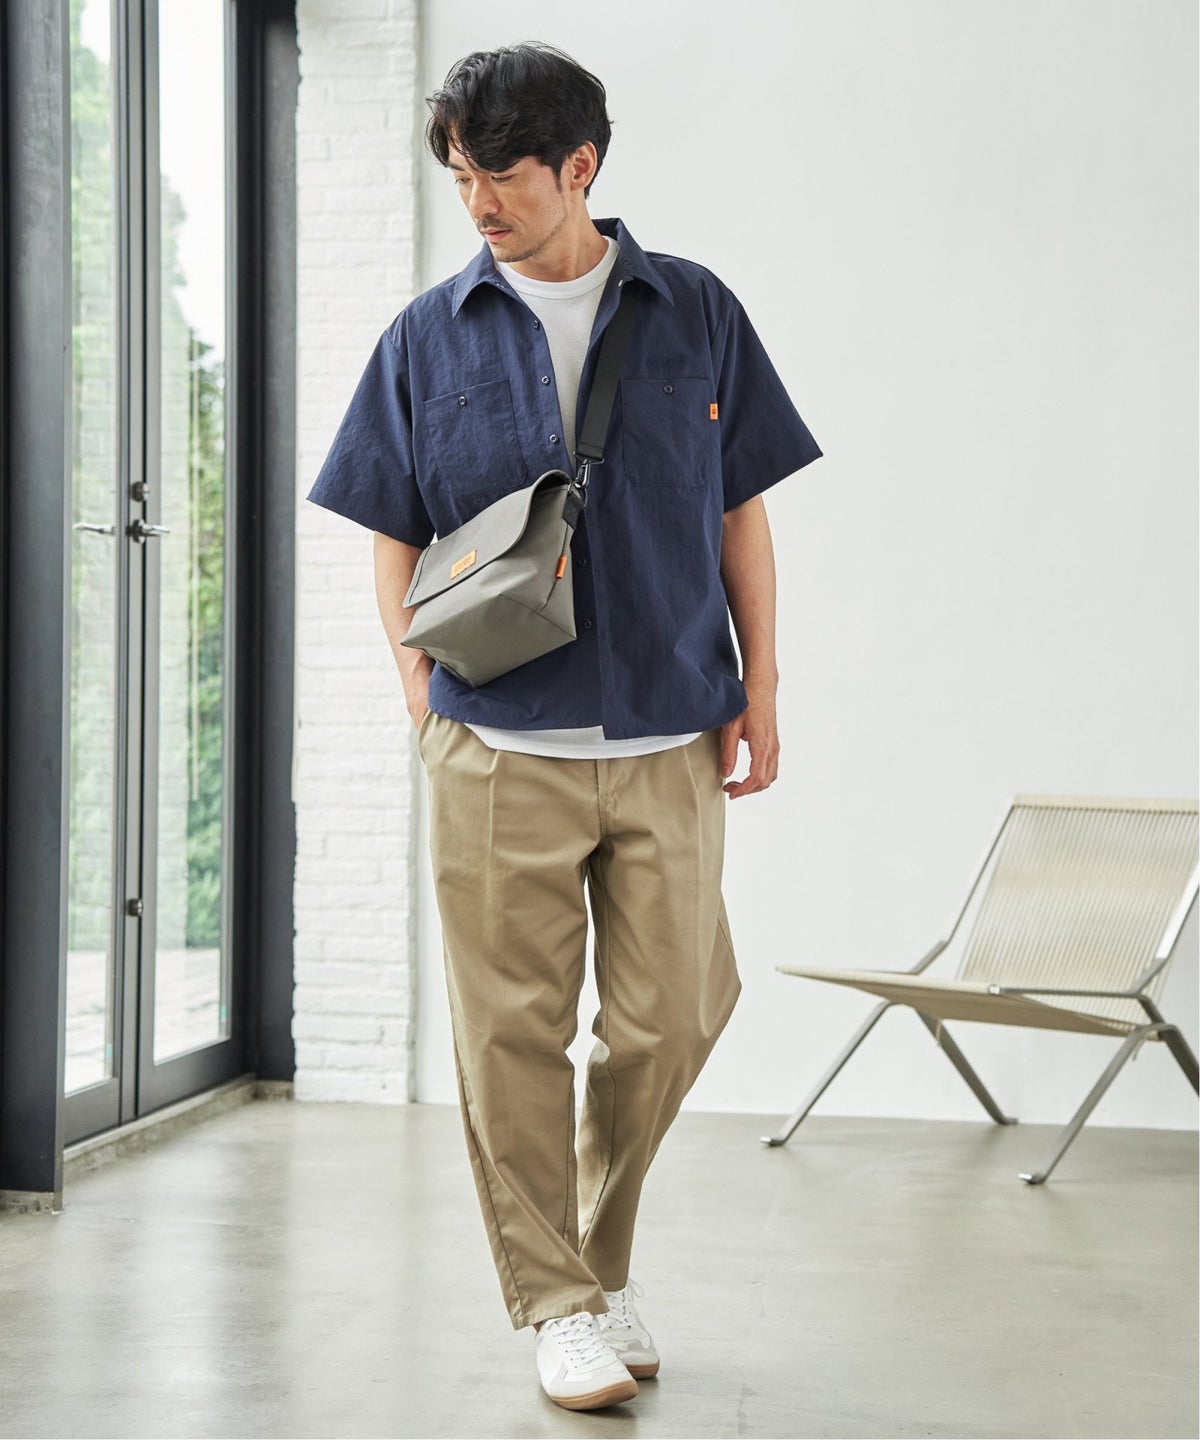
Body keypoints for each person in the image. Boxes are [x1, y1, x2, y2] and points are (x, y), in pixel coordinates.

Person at [307, 41, 822, 1413]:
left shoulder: (696, 311)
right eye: (460, 175)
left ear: (580, 165)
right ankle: (557, 1304)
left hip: (669, 731)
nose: (478, 201)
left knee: (676, 1013)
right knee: (510, 1039)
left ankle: (596, 1262)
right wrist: (416, 689)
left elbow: (740, 511)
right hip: (496, 747)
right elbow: (391, 523)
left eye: (504, 174)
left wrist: (763, 688)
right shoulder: (426, 336)